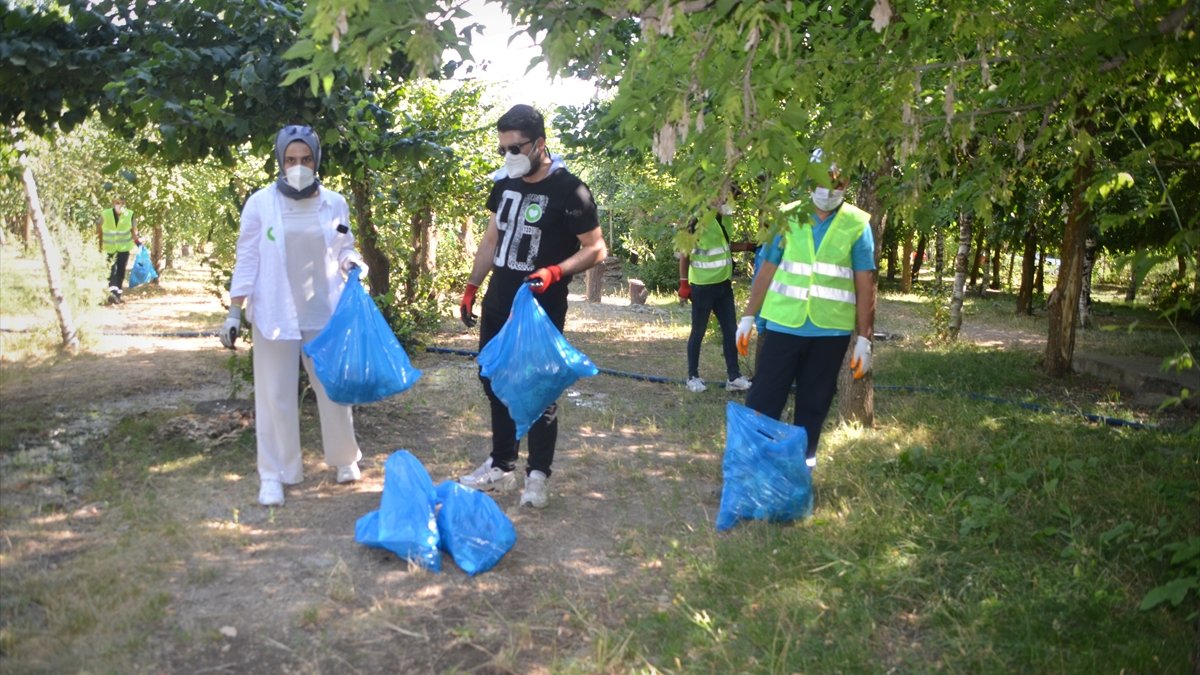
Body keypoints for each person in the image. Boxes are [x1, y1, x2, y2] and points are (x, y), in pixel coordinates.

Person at [458, 104, 607, 509]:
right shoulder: (505, 183)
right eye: (504, 148)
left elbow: (596, 248)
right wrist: (473, 285)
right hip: (500, 301)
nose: (510, 156)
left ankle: (538, 475)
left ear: (540, 143)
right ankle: (501, 464)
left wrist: (557, 271)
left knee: (539, 388)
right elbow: (492, 240)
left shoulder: (569, 190)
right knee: (494, 380)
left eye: (517, 147)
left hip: (540, 307)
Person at [221, 124, 369, 507]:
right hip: (274, 313)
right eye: (291, 159)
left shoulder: (334, 202)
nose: (298, 166)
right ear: (280, 161)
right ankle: (275, 473)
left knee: (332, 390)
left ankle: (344, 459)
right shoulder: (260, 203)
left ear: (316, 160)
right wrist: (234, 312)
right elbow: (248, 259)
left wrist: (352, 262)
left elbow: (343, 246)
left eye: (305, 159)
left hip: (323, 312)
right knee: (274, 395)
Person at [735, 149, 876, 469]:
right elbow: (767, 269)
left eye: (837, 181)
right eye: (822, 179)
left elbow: (865, 282)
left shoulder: (857, 225)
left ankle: (800, 473)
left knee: (814, 405)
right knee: (764, 400)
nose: (829, 187)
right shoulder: (787, 216)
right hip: (784, 325)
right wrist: (747, 316)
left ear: (847, 182)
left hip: (830, 332)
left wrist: (865, 339)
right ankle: (750, 469)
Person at [678, 200, 755, 393]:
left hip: (723, 285)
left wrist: (747, 246)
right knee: (698, 331)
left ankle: (734, 377)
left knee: (731, 330)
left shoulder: (726, 218)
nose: (729, 201)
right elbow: (684, 253)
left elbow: (724, 245)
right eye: (726, 197)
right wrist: (683, 283)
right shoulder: (697, 219)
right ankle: (692, 376)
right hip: (702, 286)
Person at [97, 196, 138, 304]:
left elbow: (133, 230)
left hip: (124, 248)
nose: (118, 205)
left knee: (120, 271)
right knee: (111, 271)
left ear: (124, 203)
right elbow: (99, 229)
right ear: (113, 203)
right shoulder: (105, 214)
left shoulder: (130, 214)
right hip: (109, 248)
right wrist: (99, 244)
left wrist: (138, 242)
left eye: (121, 203)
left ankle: (118, 295)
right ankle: (112, 294)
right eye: (116, 202)